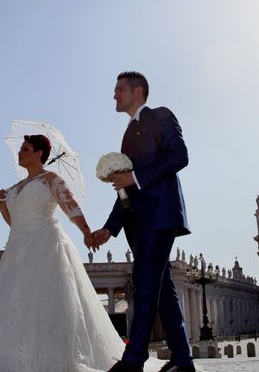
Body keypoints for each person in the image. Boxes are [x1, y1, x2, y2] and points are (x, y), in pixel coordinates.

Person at [0, 134, 125, 372]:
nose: (20, 152)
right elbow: (15, 224)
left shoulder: (50, 179)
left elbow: (70, 206)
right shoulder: (13, 188)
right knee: (11, 305)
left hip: (45, 247)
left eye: (25, 149)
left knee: (44, 302)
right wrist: (2, 208)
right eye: (20, 148)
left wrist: (85, 231)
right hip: (17, 251)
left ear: (39, 153)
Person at [91, 71, 194, 372]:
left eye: (119, 89)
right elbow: (126, 189)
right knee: (163, 292)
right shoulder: (127, 134)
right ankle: (183, 362)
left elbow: (180, 156)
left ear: (139, 91)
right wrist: (109, 228)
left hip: (160, 216)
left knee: (145, 284)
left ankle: (133, 362)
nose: (114, 94)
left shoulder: (160, 115)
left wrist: (134, 177)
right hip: (138, 224)